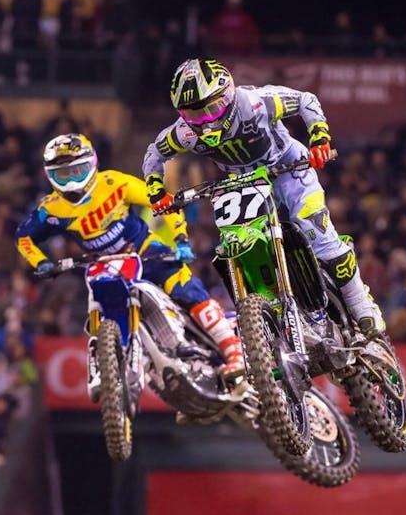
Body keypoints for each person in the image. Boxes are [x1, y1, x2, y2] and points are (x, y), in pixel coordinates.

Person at [143, 59, 385, 337]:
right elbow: (155, 153)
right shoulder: (184, 133)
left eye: (212, 108)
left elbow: (305, 100)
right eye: (194, 114)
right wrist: (155, 190)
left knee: (318, 234)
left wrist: (319, 138)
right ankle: (270, 310)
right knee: (235, 242)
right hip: (241, 183)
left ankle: (361, 304)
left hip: (287, 168)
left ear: (228, 94)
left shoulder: (256, 103)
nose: (206, 121)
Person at [15, 133, 245, 399]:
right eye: (63, 174)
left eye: (77, 170)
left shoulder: (115, 183)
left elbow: (162, 202)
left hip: (146, 253)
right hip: (103, 266)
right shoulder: (51, 209)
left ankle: (233, 350)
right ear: (50, 175)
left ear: (92, 163)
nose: (72, 180)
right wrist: (41, 262)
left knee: (186, 290)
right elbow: (23, 237)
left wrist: (181, 239)